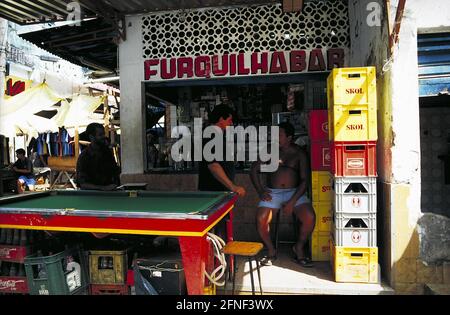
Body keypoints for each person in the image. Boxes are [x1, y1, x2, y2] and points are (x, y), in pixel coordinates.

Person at [250, 122, 316, 267]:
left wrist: (293, 202)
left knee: (310, 217)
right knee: (261, 219)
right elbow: (254, 169)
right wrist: (261, 191)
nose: (275, 138)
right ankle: (271, 250)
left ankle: (298, 247)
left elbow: (305, 181)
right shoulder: (269, 150)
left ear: (289, 137)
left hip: (295, 192)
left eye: (279, 135)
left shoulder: (299, 153)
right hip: (272, 192)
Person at [198, 104, 246, 241]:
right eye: (229, 120)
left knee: (220, 226)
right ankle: (217, 259)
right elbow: (213, 166)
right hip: (213, 192)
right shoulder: (212, 135)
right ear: (220, 119)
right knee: (215, 228)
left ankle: (218, 258)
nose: (231, 124)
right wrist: (233, 187)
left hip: (218, 191)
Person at [76, 123, 120, 191]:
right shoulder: (84, 156)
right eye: (100, 135)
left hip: (109, 196)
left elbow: (115, 174)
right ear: (91, 137)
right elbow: (82, 184)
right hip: (90, 196)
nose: (103, 137)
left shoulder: (107, 152)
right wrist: (103, 188)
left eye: (103, 134)